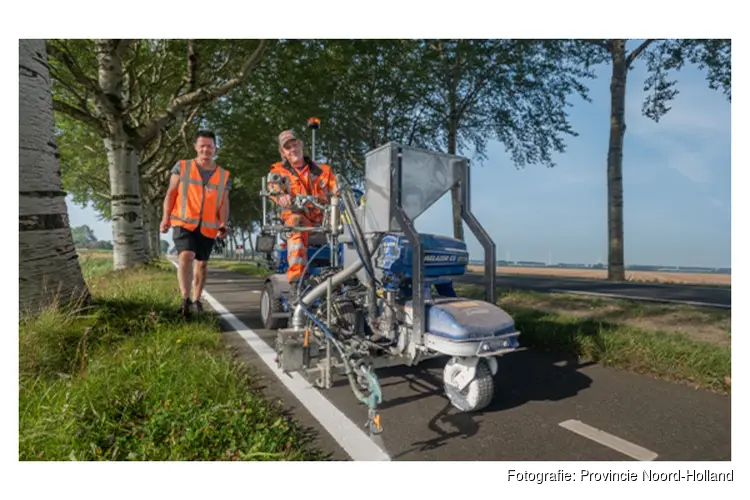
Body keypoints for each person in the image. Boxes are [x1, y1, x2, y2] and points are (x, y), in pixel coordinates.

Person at [160, 130, 231, 317]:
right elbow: (171, 193)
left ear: (215, 148)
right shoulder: (182, 167)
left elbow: (224, 202)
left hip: (208, 226)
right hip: (183, 221)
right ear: (196, 147)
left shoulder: (223, 175)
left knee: (202, 264)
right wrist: (165, 218)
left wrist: (223, 222)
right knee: (186, 255)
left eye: (210, 146)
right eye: (202, 146)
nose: (206, 149)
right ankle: (185, 299)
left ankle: (197, 299)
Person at [267, 129, 336, 290]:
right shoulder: (278, 172)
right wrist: (280, 196)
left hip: (324, 221)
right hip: (298, 220)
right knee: (296, 223)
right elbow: (274, 187)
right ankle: (297, 281)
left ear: (301, 145)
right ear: (283, 153)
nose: (292, 149)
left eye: (295, 144)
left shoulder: (324, 171)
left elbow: (337, 190)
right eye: (287, 147)